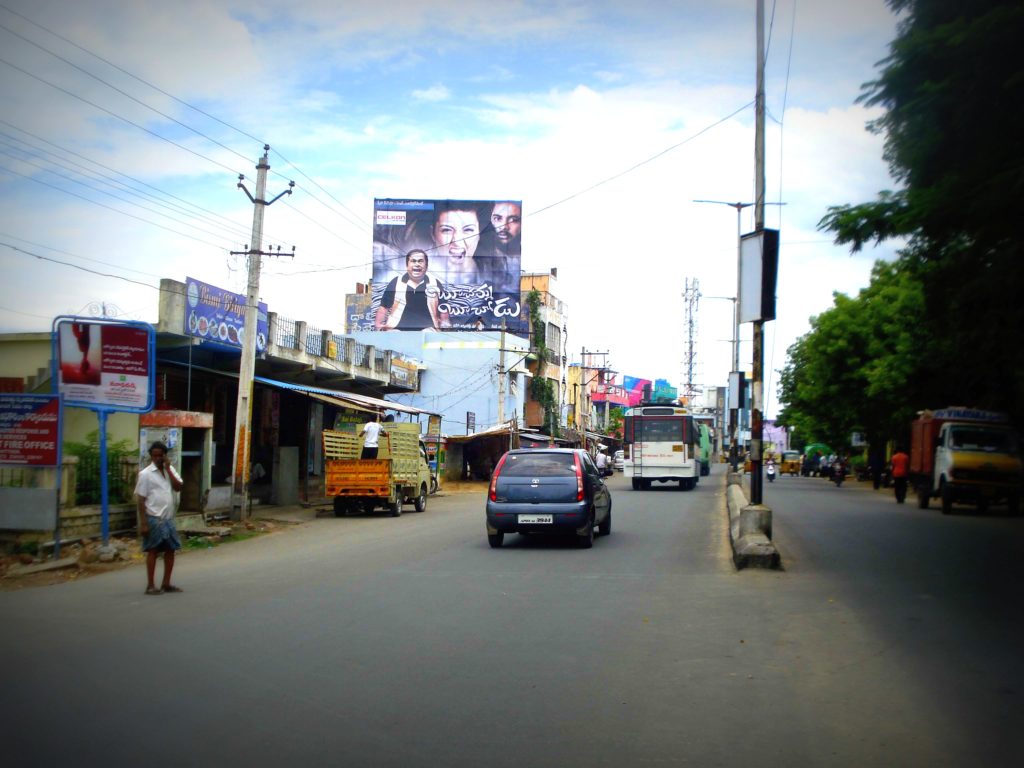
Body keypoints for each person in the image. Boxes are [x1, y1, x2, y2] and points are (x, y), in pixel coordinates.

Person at [135, 441, 184, 595]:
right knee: (153, 551)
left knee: (171, 549)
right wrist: (143, 523)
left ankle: (166, 583)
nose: (157, 458)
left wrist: (168, 469)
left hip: (168, 518)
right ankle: (150, 585)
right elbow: (141, 500)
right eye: (154, 455)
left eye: (159, 455)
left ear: (164, 456)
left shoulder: (170, 470)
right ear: (151, 456)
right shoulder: (145, 474)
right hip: (154, 518)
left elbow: (178, 487)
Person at [374, 249, 449, 330]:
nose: (417, 264)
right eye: (413, 261)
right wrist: (378, 326)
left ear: (426, 266)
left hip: (428, 329)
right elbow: (384, 307)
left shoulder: (435, 283)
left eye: (420, 261)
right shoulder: (396, 282)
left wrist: (446, 327)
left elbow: (443, 309)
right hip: (397, 329)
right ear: (407, 266)